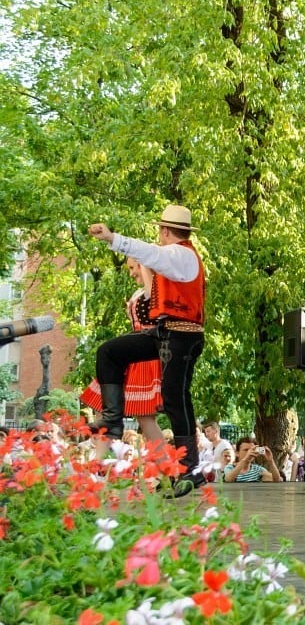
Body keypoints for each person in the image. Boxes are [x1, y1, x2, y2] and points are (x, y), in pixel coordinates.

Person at [88, 205, 207, 498]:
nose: (158, 237)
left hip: (184, 336)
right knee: (109, 353)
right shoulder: (173, 256)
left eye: (160, 232)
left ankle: (189, 467)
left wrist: (112, 237)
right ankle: (113, 423)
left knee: (174, 399)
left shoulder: (180, 254)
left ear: (166, 231)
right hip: (165, 333)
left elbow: (150, 254)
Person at [80, 258, 164, 446]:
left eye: (134, 267)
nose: (131, 273)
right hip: (128, 355)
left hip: (144, 356)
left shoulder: (157, 287)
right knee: (103, 403)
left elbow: (154, 301)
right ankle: (100, 463)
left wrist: (144, 260)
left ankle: (169, 468)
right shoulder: (139, 291)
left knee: (144, 417)